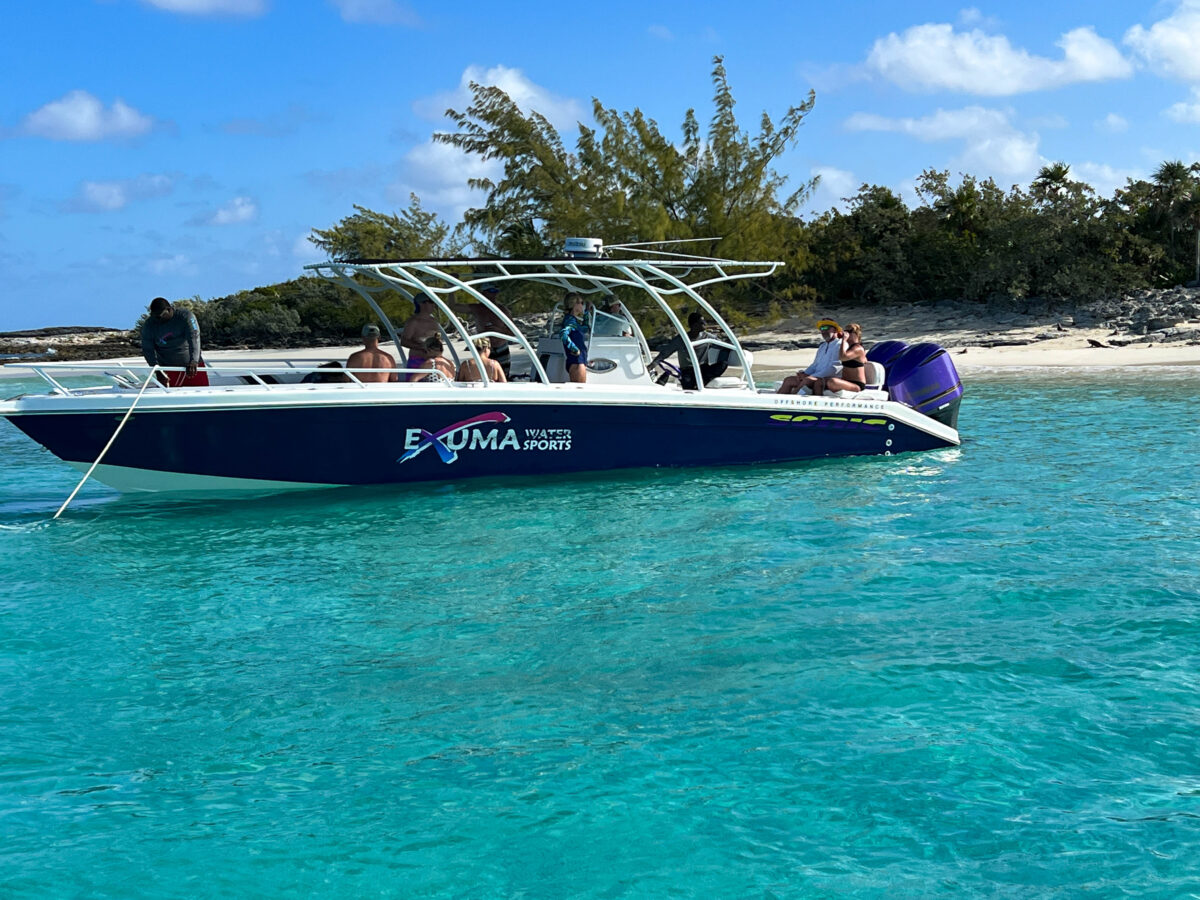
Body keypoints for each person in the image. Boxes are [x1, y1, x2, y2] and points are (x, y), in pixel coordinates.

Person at [449, 285, 515, 378]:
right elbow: (453, 306)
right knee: (482, 375)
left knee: (503, 376)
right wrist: (451, 288)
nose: (494, 293)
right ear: (483, 293)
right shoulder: (477, 308)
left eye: (496, 291)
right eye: (491, 290)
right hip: (483, 348)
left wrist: (498, 331)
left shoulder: (503, 310)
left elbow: (514, 332)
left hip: (501, 347)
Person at [140, 297, 208, 387]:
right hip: (167, 368)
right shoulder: (149, 324)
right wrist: (157, 370)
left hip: (192, 366)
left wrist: (194, 361)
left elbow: (194, 338)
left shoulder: (185, 316)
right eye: (153, 316)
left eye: (159, 317)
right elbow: (147, 349)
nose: (156, 320)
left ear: (168, 310)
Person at [650, 312, 726, 390]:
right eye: (702, 322)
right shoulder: (680, 339)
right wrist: (651, 366)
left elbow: (724, 346)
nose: (705, 324)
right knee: (687, 385)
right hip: (688, 370)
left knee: (723, 364)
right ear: (695, 325)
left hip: (703, 369)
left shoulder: (707, 337)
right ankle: (696, 387)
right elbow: (665, 353)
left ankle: (700, 384)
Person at [777, 318, 841, 394]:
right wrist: (804, 373)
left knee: (806, 381)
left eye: (826, 328)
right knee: (788, 380)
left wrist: (811, 376)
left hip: (828, 379)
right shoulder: (822, 346)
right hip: (815, 376)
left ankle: (793, 396)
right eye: (821, 328)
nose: (823, 331)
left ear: (835, 329)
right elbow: (815, 365)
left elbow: (834, 368)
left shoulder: (840, 345)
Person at [821, 323, 868, 394]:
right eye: (845, 331)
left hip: (856, 385)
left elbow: (842, 357)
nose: (845, 333)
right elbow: (864, 360)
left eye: (848, 331)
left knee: (832, 382)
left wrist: (843, 340)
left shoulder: (858, 348)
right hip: (845, 381)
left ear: (855, 334)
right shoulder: (850, 348)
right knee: (819, 381)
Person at [400, 292, 440, 372]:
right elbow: (404, 341)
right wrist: (422, 347)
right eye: (431, 301)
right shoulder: (413, 322)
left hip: (432, 361)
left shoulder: (434, 321)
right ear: (421, 304)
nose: (434, 304)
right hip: (417, 361)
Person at [560, 293, 590, 383]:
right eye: (581, 302)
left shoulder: (573, 320)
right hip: (576, 362)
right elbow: (563, 335)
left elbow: (584, 328)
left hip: (579, 361)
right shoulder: (570, 320)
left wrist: (587, 312)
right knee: (579, 392)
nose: (582, 305)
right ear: (574, 304)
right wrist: (574, 349)